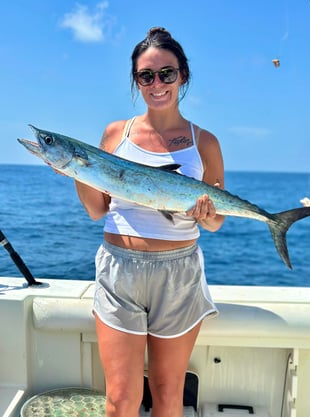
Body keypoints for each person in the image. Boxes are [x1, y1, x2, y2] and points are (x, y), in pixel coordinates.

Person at [75, 27, 225, 417]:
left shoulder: (204, 141)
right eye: (146, 76)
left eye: (167, 74)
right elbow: (96, 210)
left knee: (167, 395)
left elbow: (216, 223)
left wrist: (208, 215)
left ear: (183, 76)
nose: (157, 84)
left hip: (178, 274)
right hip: (119, 271)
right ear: (136, 81)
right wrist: (78, 170)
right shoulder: (114, 133)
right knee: (119, 401)